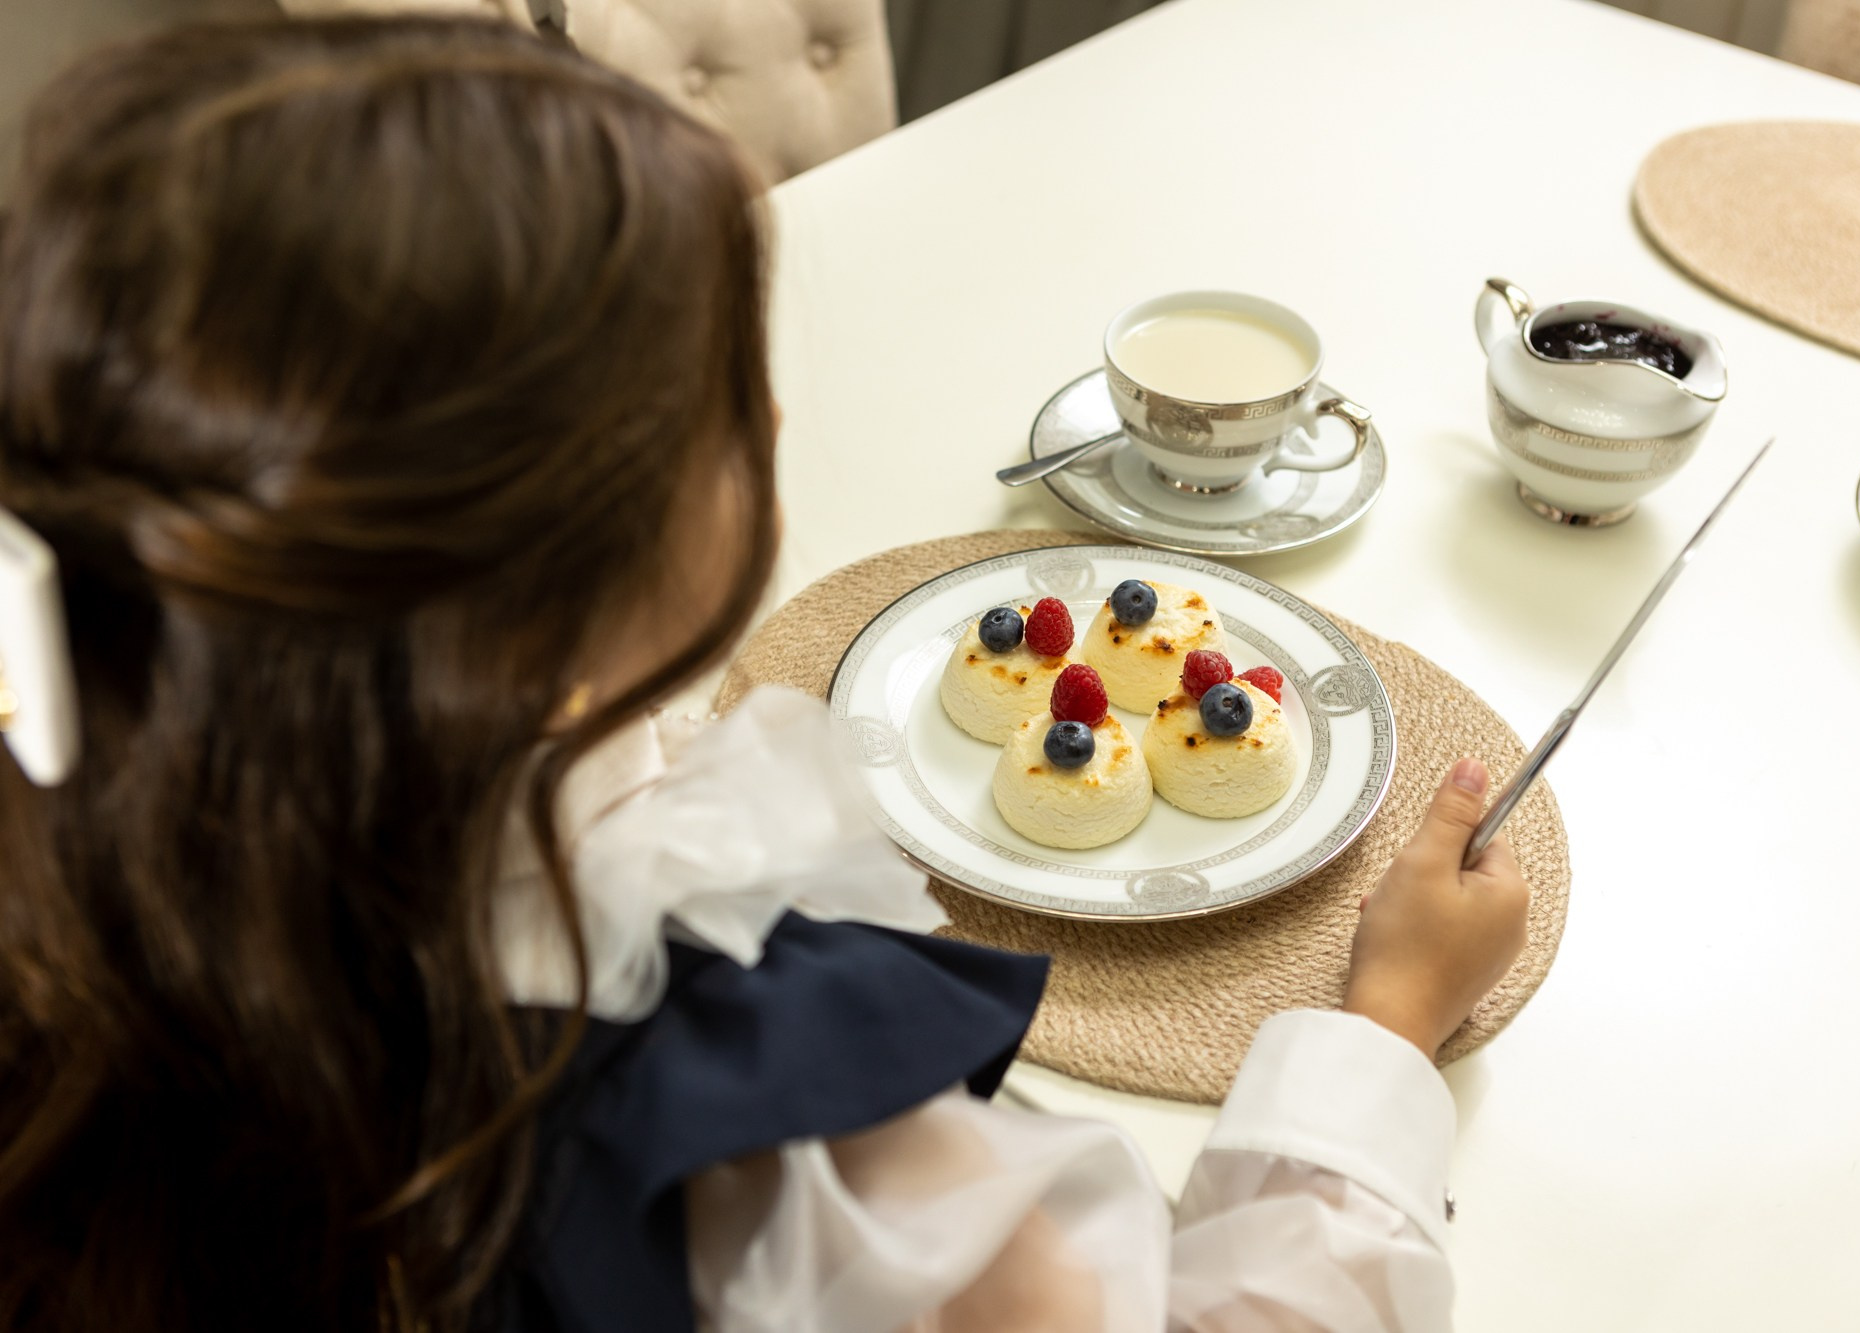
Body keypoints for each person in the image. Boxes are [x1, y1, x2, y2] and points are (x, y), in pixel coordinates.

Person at [0, 17, 1531, 1333]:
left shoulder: (101, 873)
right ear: (562, 592)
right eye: (728, 393)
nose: (779, 428)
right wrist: (1379, 1037)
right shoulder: (790, 1139)